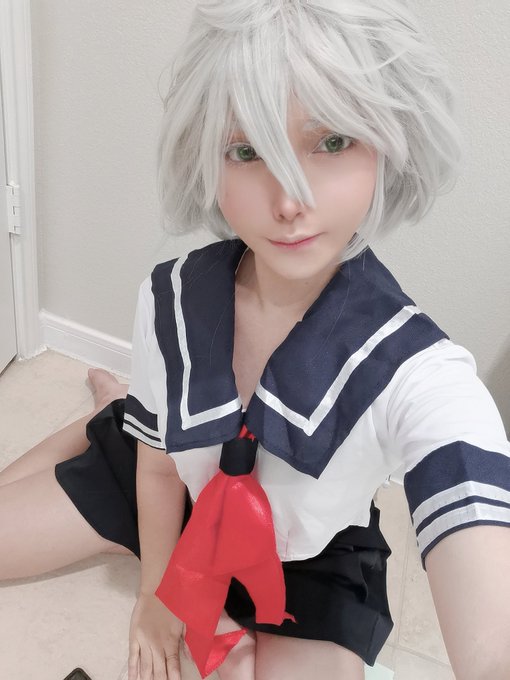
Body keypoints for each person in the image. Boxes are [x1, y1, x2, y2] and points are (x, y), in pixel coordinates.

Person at [1, 1, 510, 679]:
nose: (289, 200)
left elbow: (474, 518)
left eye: (332, 142)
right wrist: (156, 593)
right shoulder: (171, 298)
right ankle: (113, 411)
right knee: (124, 444)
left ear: (389, 144)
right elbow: (157, 467)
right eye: (247, 151)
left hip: (308, 560)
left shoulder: (415, 371)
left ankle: (117, 405)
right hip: (165, 484)